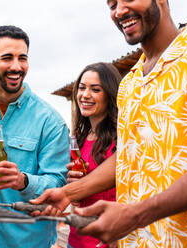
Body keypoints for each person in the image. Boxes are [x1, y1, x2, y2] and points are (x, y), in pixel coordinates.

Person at [31, 0, 187, 247]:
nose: (119, 11)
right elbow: (128, 157)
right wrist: (68, 193)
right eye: (112, 4)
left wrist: (134, 216)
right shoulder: (129, 83)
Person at [0, 25, 70, 248]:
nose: (16, 66)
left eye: (22, 58)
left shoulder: (50, 121)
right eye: (7, 58)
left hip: (27, 242)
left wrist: (23, 181)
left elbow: (58, 181)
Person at [67, 63, 120, 248]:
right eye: (82, 88)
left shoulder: (122, 137)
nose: (85, 95)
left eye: (95, 89)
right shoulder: (79, 140)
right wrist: (72, 188)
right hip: (75, 239)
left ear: (110, 94)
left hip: (106, 240)